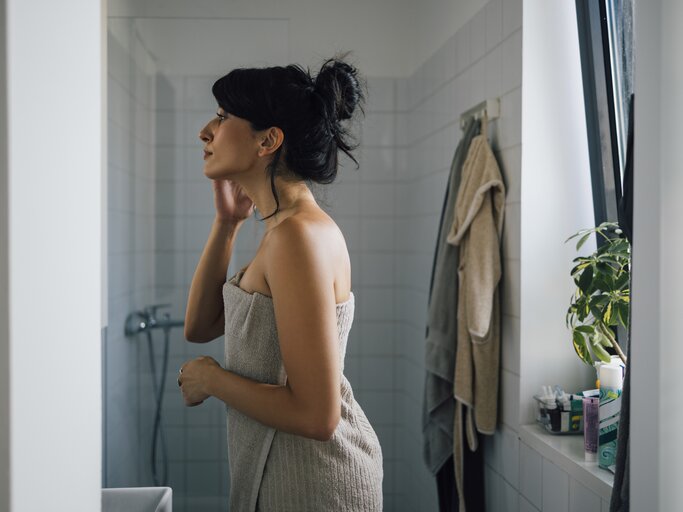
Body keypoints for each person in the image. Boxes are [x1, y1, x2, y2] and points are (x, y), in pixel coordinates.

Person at [176, 53, 384, 511]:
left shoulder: (296, 237)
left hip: (317, 485)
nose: (205, 131)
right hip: (292, 476)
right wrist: (227, 223)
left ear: (268, 140)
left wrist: (211, 378)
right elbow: (201, 325)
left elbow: (317, 415)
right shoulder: (283, 229)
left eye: (224, 117)